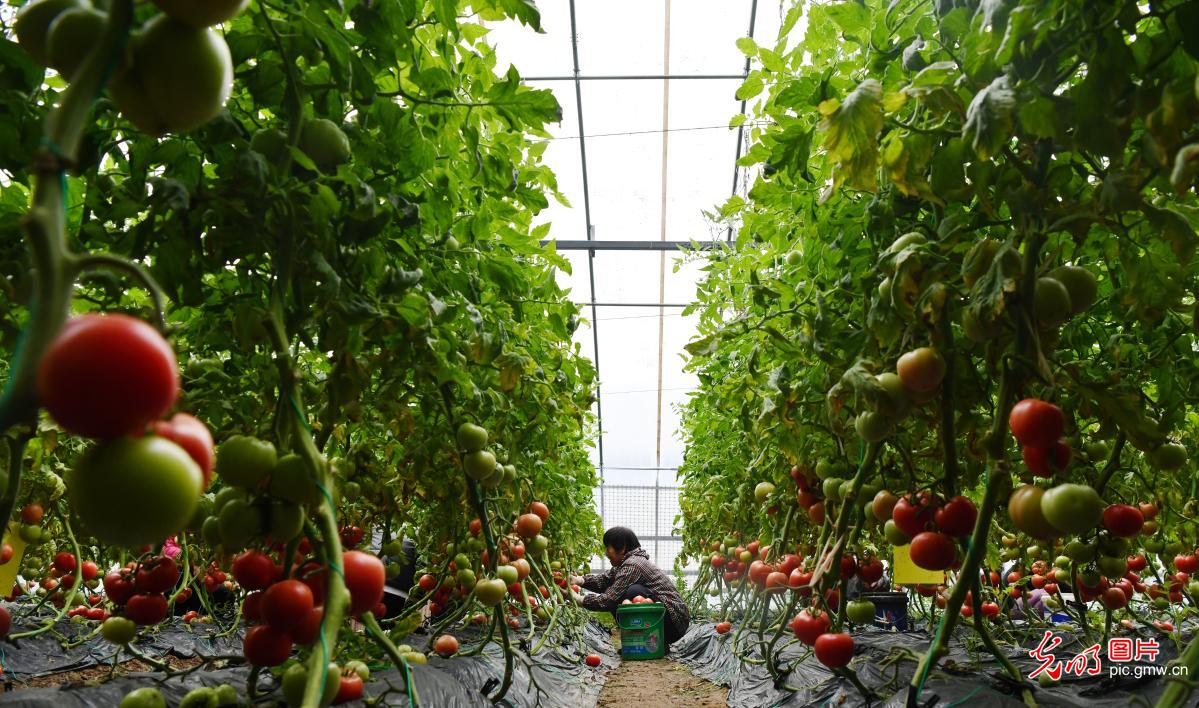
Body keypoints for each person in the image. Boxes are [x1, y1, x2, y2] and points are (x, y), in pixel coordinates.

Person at [572, 526, 690, 645]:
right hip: (669, 619)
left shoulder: (633, 565)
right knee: (619, 596)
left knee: (632, 592)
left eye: (608, 547)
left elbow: (607, 600)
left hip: (675, 623)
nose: (606, 553)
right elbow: (603, 580)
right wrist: (578, 580)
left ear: (622, 548)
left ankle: (652, 642)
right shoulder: (625, 564)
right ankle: (642, 642)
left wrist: (577, 599)